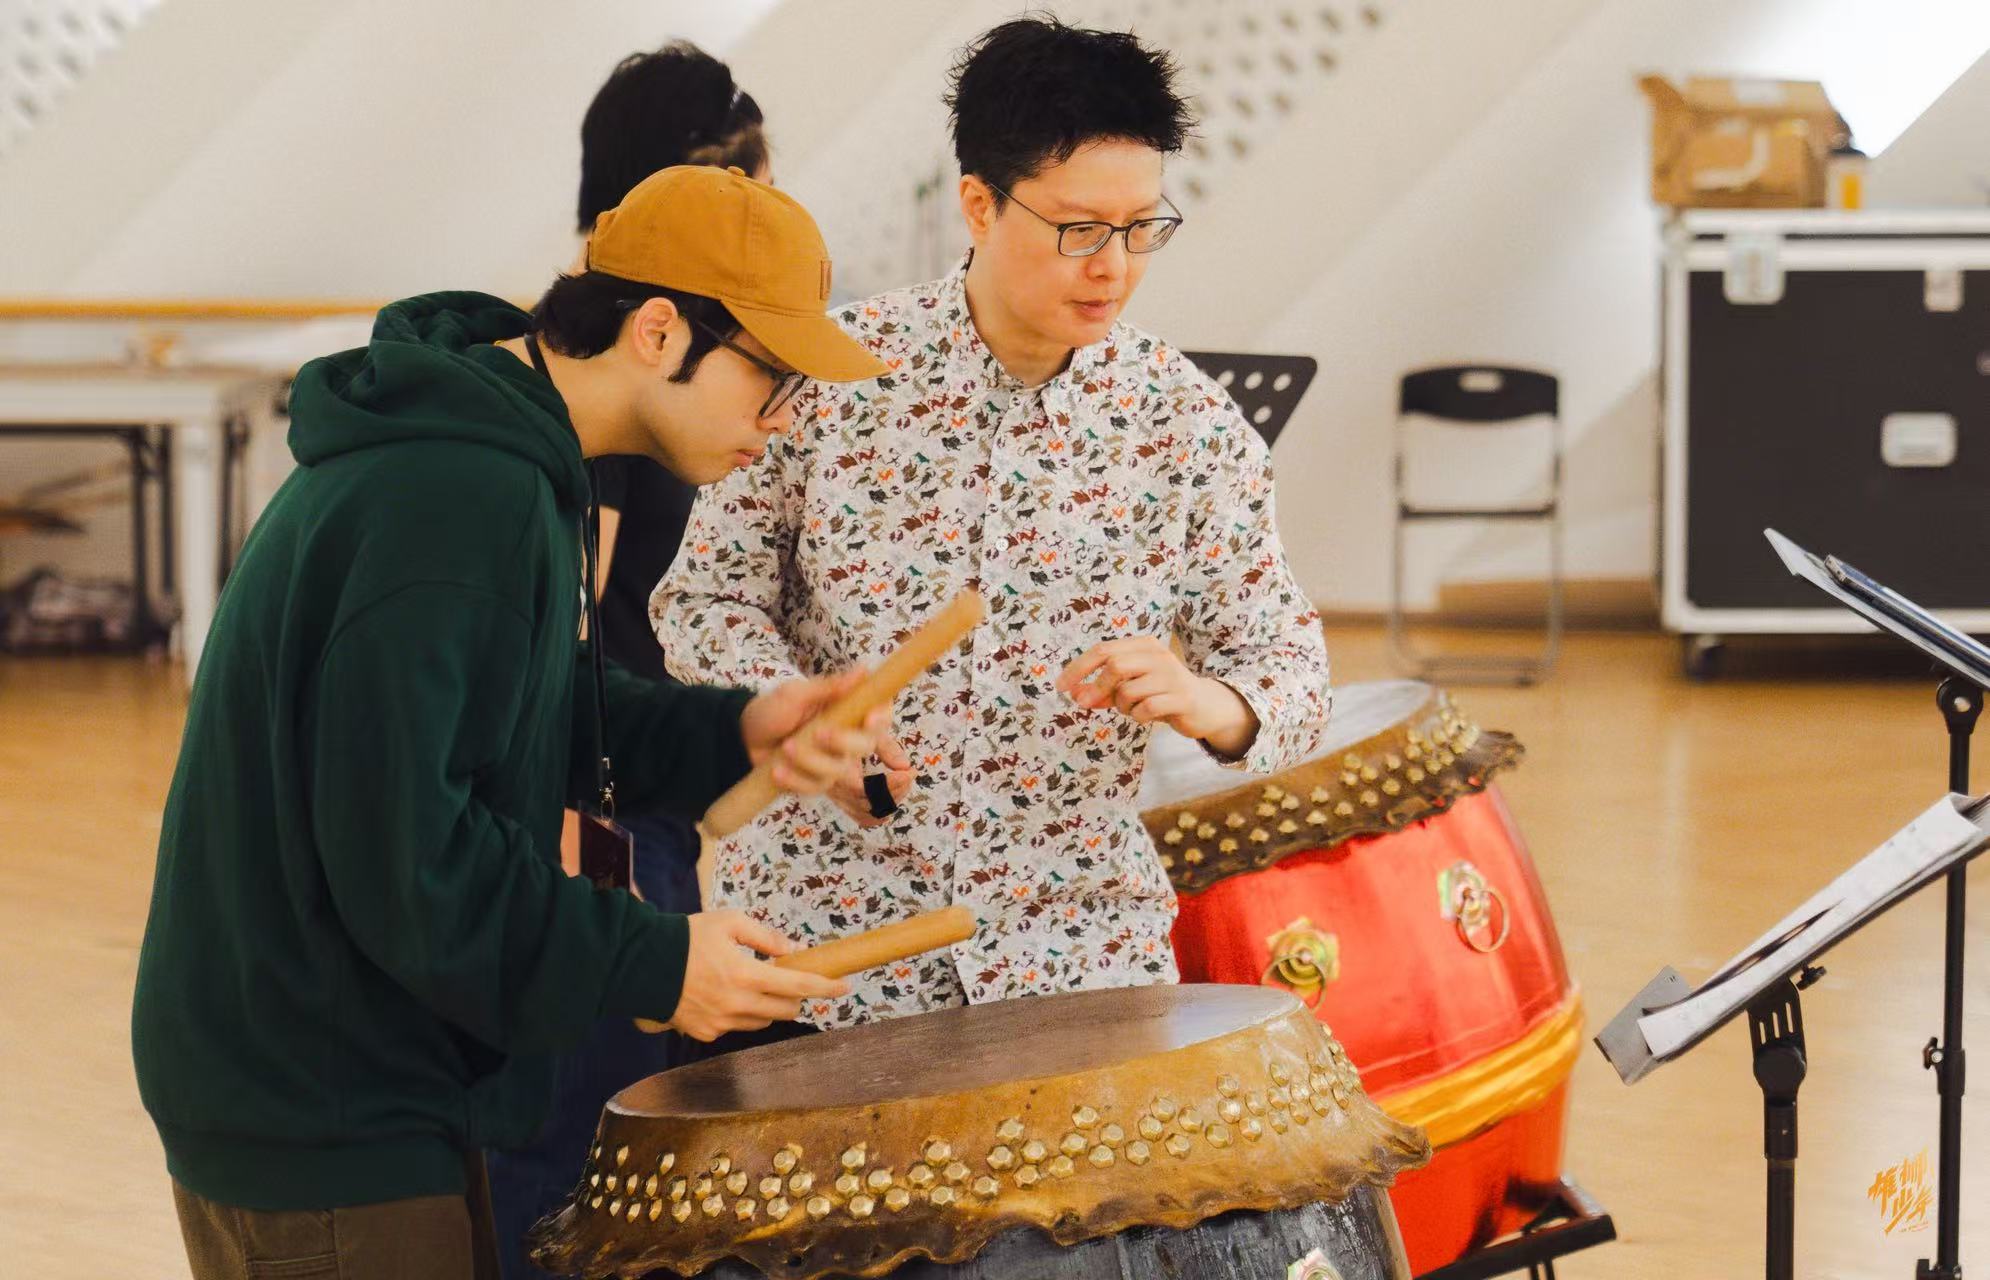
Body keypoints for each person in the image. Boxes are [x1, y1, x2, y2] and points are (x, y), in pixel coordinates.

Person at [132, 164, 890, 1280]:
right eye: (769, 378)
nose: (775, 425)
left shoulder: (509, 459)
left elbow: (540, 715)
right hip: (317, 1084)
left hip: (349, 1052)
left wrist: (742, 728)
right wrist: (659, 959)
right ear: (659, 330)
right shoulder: (454, 495)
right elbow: (412, 858)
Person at [653, 16, 1330, 1033]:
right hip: (828, 940)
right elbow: (705, 596)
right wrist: (788, 706)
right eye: (1078, 230)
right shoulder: (835, 375)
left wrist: (1210, 699)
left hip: (1076, 949)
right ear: (978, 202)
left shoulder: (1185, 426)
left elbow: (1289, 661)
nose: (1114, 264)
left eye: (1142, 226)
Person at [483, 42, 780, 1279]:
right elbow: (570, 628)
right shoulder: (613, 377)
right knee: (586, 1133)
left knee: (598, 1120)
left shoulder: (586, 336)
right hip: (595, 798)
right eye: (752, 192)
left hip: (623, 772)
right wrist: (580, 839)